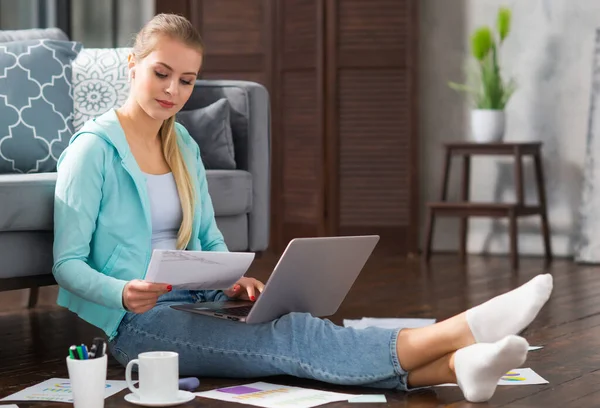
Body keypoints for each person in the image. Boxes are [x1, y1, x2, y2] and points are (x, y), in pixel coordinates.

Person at [52, 13, 554, 403]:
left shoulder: (181, 144)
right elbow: (67, 263)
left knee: (291, 325)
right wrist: (123, 293)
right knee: (291, 338)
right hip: (137, 326)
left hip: (200, 298)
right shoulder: (92, 149)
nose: (173, 91)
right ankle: (462, 330)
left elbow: (206, 239)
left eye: (186, 80)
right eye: (162, 74)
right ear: (132, 65)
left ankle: (456, 368)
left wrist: (231, 277)